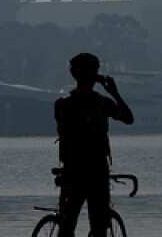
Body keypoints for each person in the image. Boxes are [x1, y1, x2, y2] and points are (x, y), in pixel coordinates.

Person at [54, 53, 134, 237]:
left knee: (67, 225)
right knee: (98, 226)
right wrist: (114, 92)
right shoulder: (102, 103)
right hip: (96, 172)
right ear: (95, 76)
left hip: (72, 171)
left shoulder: (62, 105)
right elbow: (128, 118)